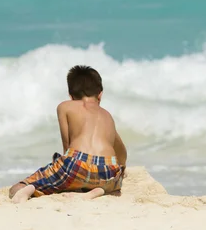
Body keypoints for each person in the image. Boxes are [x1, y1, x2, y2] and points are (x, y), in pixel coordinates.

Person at [9, 65, 127, 203]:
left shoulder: (65, 106)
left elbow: (67, 149)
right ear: (100, 94)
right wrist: (120, 169)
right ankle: (98, 190)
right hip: (107, 169)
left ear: (71, 96)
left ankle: (30, 189)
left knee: (16, 188)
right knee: (114, 182)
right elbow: (122, 154)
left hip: (76, 162)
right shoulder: (108, 116)